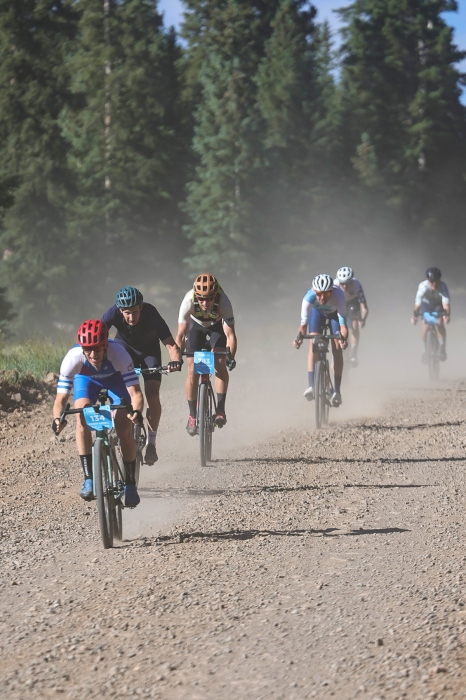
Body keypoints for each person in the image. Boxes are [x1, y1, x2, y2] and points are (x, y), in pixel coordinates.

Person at [52, 319, 144, 507]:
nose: (93, 354)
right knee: (82, 418)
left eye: (98, 348)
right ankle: (89, 479)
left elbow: (136, 393)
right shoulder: (73, 357)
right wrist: (57, 419)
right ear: (82, 347)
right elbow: (60, 400)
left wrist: (136, 411)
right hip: (87, 382)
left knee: (123, 424)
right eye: (88, 349)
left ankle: (129, 484)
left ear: (105, 345)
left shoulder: (119, 353)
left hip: (116, 381)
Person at [102, 286, 182, 465]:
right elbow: (97, 338)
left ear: (141, 307)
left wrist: (175, 361)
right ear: (120, 310)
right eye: (127, 313)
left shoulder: (151, 313)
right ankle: (119, 420)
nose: (131, 318)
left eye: (135, 312)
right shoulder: (112, 313)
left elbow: (171, 345)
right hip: (124, 350)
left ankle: (151, 443)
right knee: (123, 391)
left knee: (152, 394)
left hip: (149, 352)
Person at [176, 273, 237, 436]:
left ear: (216, 295)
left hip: (217, 325)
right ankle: (192, 415)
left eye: (210, 298)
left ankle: (220, 409)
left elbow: (230, 335)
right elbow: (181, 335)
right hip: (196, 325)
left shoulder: (224, 301)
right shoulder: (188, 300)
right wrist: (176, 359)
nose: (205, 303)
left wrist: (231, 356)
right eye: (201, 298)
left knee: (219, 362)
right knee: (192, 369)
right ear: (196, 295)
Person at [293, 273, 348, 406]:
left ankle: (337, 391)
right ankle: (311, 385)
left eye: (326, 294)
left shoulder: (339, 296)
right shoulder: (308, 298)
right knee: (313, 344)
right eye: (319, 293)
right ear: (314, 291)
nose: (322, 297)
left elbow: (343, 326)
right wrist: (298, 338)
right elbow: (303, 326)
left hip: (335, 315)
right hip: (317, 314)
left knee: (336, 348)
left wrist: (343, 340)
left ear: (331, 292)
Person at [412, 267, 450, 361]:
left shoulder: (443, 286)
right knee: (425, 326)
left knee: (440, 322)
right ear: (427, 280)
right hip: (426, 305)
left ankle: (442, 348)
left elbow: (446, 305)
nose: (434, 284)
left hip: (438, 305)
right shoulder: (423, 286)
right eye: (432, 281)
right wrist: (415, 316)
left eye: (437, 281)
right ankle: (424, 350)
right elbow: (417, 304)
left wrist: (447, 315)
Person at [334, 266, 368, 367]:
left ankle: (353, 353)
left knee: (354, 323)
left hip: (352, 303)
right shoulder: (334, 285)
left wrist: (362, 319)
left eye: (347, 283)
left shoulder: (356, 284)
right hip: (338, 303)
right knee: (336, 326)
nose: (344, 286)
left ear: (351, 282)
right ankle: (335, 355)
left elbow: (364, 306)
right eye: (342, 283)